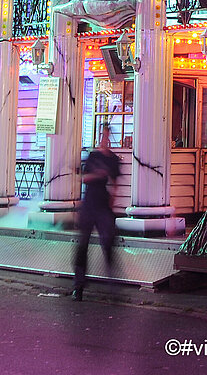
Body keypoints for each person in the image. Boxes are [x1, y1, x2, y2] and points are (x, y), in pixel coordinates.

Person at [72, 123, 121, 300]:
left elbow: (115, 185)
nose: (105, 139)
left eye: (107, 135)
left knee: (108, 242)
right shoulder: (92, 156)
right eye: (103, 135)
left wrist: (111, 207)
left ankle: (113, 284)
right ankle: (79, 285)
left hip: (103, 205)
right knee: (82, 244)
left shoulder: (113, 159)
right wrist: (98, 174)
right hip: (89, 203)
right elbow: (84, 178)